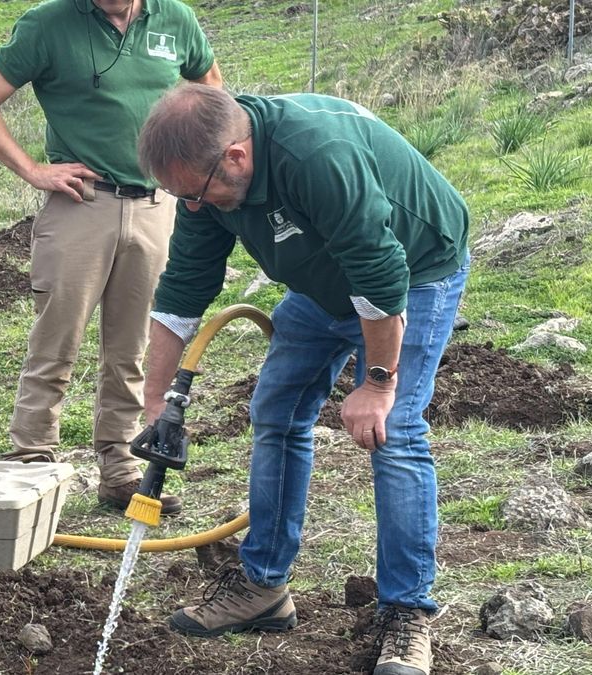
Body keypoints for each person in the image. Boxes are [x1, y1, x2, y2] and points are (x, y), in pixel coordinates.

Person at [137, 84, 469, 675]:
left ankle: (406, 612)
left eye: (196, 193)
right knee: (277, 411)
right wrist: (156, 395)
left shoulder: (317, 154)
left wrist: (377, 384)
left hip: (415, 270)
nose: (192, 206)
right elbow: (184, 285)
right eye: (180, 196)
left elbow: (379, 271)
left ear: (236, 157)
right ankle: (263, 586)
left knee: (394, 430)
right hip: (324, 283)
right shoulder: (205, 184)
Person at [0, 0, 222, 515]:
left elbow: (212, 90)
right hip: (81, 204)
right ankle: (31, 464)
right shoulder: (47, 24)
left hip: (156, 205)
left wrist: (199, 172)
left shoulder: (175, 18)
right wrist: (33, 170)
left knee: (132, 347)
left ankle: (121, 470)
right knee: (56, 341)